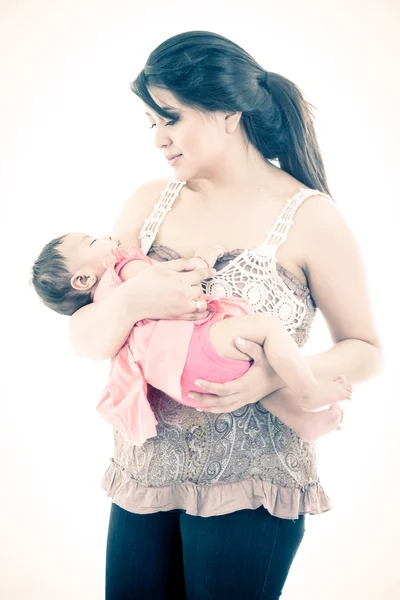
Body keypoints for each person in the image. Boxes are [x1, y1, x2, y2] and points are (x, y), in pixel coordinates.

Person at [67, 31, 382, 600]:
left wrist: (272, 376)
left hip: (254, 482)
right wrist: (136, 301)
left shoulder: (310, 218)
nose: (159, 139)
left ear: (229, 112)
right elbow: (87, 338)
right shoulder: (147, 203)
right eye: (151, 123)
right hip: (145, 474)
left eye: (171, 118)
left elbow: (366, 349)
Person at [32, 234, 351, 446]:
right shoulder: (122, 268)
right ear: (83, 278)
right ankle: (307, 392)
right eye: (92, 241)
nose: (104, 237)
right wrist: (205, 257)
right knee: (267, 329)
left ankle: (299, 421)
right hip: (189, 349)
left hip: (178, 380)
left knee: (249, 370)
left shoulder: (103, 309)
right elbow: (175, 279)